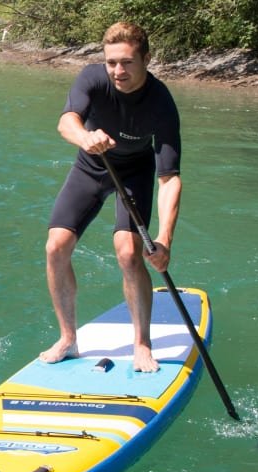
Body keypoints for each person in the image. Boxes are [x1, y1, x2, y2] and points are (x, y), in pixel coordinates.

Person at [41, 20, 182, 373]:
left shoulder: (162, 103)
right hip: (91, 165)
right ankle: (68, 338)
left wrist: (164, 239)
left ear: (147, 59)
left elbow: (168, 178)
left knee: (129, 252)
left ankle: (142, 345)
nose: (118, 71)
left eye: (127, 62)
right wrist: (84, 138)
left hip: (134, 173)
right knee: (56, 246)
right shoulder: (92, 78)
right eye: (111, 62)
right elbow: (66, 121)